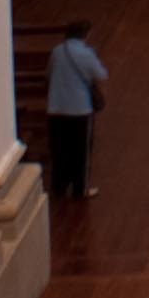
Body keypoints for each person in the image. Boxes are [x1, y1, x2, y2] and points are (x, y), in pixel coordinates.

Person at [43, 18, 109, 199]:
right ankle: (80, 189)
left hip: (56, 108)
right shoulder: (86, 54)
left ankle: (59, 187)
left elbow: (48, 74)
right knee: (81, 152)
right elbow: (101, 74)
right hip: (80, 109)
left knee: (59, 150)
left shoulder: (57, 52)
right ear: (86, 34)